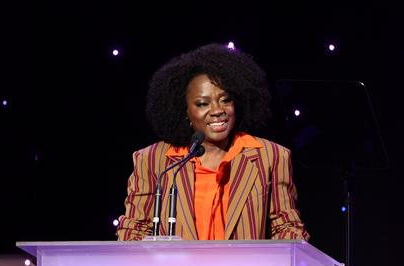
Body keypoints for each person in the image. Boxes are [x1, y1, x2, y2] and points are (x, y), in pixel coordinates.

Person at [116, 43, 309, 241]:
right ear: (185, 112)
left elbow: (286, 226)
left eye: (225, 100)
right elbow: (134, 230)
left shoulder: (271, 156)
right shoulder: (153, 161)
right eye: (202, 103)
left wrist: (291, 247)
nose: (217, 110)